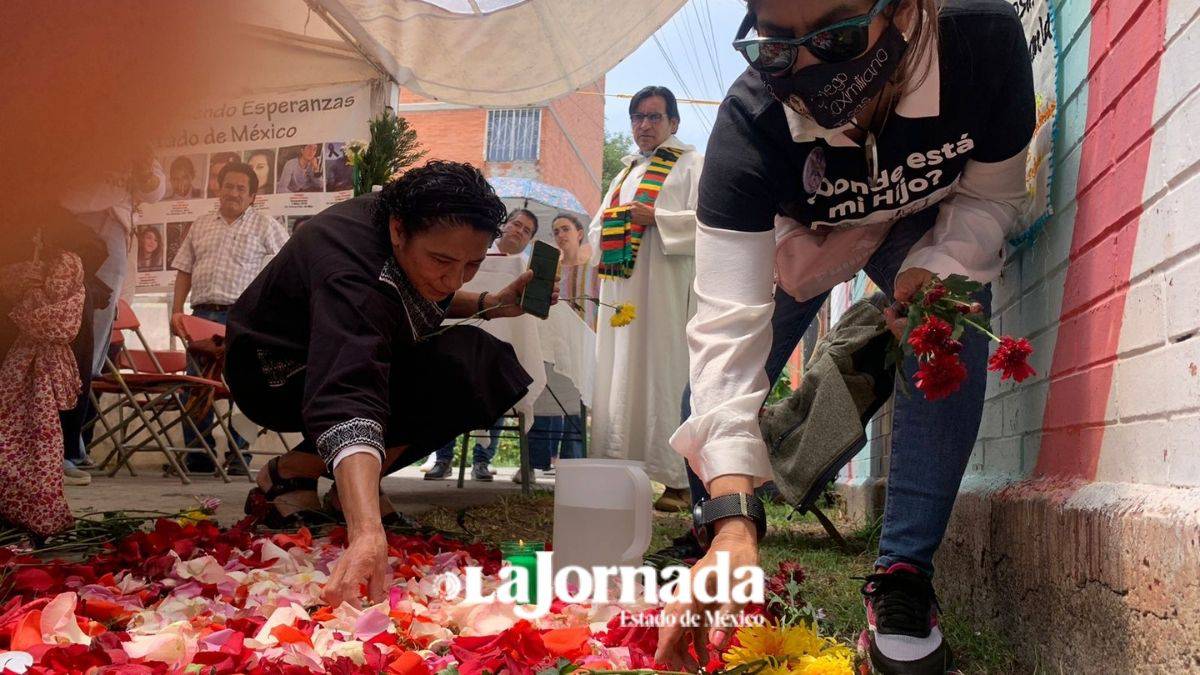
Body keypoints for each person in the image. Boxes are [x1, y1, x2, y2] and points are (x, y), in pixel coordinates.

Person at [655, 0, 1035, 671]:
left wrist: (936, 269)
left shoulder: (982, 44)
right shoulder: (748, 124)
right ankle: (713, 540)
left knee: (948, 314)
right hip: (798, 240)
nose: (802, 66)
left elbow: (990, 198)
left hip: (918, 224)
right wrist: (736, 515)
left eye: (839, 37)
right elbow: (726, 335)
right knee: (712, 396)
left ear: (908, 10)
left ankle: (903, 578)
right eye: (776, 45)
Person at [224, 161, 550, 606]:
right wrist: (367, 530)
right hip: (274, 374)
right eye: (442, 261)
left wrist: (492, 303)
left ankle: (316, 480)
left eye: (471, 265)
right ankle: (295, 478)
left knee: (480, 362)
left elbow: (420, 293)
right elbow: (349, 388)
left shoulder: (404, 221)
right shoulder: (350, 269)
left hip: (340, 356)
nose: (453, 280)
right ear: (399, 230)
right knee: (388, 384)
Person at [587, 85, 702, 513]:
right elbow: (596, 230)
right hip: (622, 289)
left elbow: (710, 221)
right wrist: (618, 223)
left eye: (654, 117)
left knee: (663, 372)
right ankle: (616, 471)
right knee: (618, 373)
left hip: (666, 290)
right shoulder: (624, 173)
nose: (644, 125)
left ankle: (676, 481)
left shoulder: (692, 165)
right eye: (637, 117)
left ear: (674, 122)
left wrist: (658, 218)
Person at [170, 161, 287, 475]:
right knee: (196, 388)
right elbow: (184, 269)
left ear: (251, 196)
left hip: (242, 319)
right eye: (228, 186)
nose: (233, 193)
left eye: (241, 189)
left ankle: (239, 457)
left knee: (244, 389)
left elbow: (287, 269)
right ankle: (198, 458)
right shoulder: (201, 224)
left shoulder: (266, 226)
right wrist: (177, 309)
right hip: (200, 316)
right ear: (218, 189)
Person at [60, 147, 164, 485]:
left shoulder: (137, 135)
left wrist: (145, 172)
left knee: (90, 350)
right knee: (63, 345)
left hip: (113, 240)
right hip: (70, 229)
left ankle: (69, 444)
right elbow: (74, 188)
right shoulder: (80, 126)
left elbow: (156, 188)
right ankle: (54, 448)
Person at [424, 208, 540, 481]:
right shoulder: (471, 254)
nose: (518, 231)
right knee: (447, 385)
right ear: (504, 225)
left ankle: (482, 460)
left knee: (500, 380)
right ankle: (443, 458)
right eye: (516, 224)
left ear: (529, 240)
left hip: (502, 339)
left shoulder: (524, 268)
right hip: (458, 331)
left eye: (526, 231)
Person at [552, 213, 598, 325]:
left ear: (580, 234)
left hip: (589, 334)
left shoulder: (594, 268)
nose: (560, 235)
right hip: (558, 332)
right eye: (556, 232)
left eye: (565, 229)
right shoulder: (552, 269)